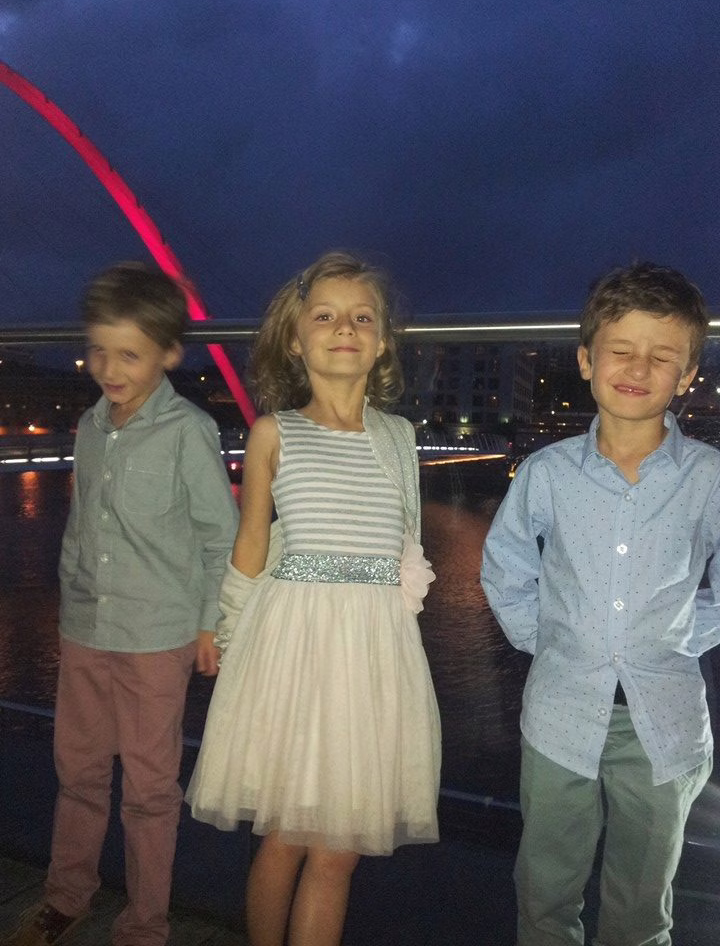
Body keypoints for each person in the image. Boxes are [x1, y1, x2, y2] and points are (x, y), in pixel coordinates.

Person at [186, 251, 441, 946]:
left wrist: (396, 642)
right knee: (288, 836)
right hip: (295, 650)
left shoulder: (399, 438)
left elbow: (405, 546)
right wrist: (228, 633)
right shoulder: (275, 433)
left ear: (383, 341)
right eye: (324, 316)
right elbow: (251, 547)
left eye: (362, 317)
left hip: (371, 653)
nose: (344, 328)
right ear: (295, 340)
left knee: (340, 851)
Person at [481, 262, 720, 946]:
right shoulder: (547, 473)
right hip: (560, 717)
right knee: (545, 894)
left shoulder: (708, 479)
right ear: (587, 360)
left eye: (661, 356)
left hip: (664, 726)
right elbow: (505, 569)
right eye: (620, 350)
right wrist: (549, 639)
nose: (638, 367)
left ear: (687, 375)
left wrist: (679, 636)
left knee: (642, 906)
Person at [3, 263, 239, 946]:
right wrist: (67, 595)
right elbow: (84, 527)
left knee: (149, 790)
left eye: (128, 353)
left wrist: (209, 624)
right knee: (76, 771)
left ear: (168, 353)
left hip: (157, 637)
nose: (108, 366)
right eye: (98, 349)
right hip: (86, 627)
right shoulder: (89, 424)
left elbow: (217, 538)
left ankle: (145, 924)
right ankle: (66, 896)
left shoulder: (187, 431)